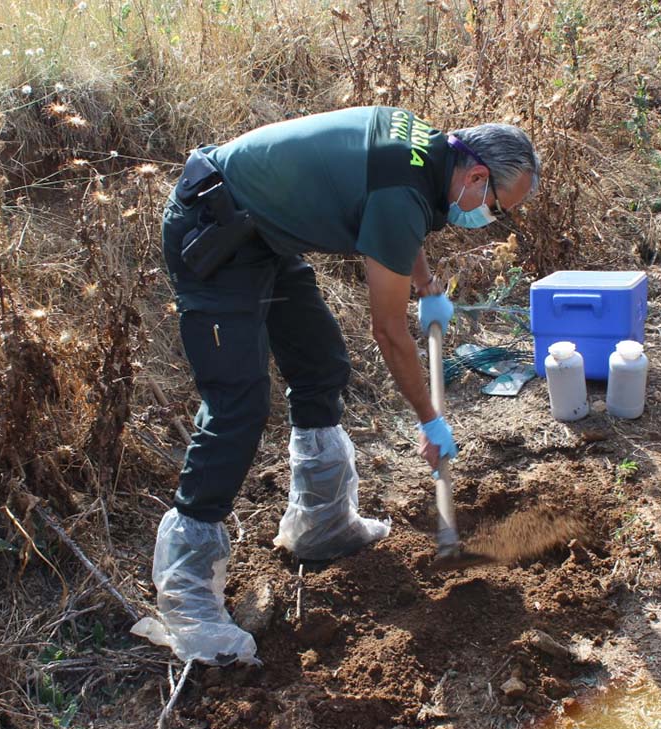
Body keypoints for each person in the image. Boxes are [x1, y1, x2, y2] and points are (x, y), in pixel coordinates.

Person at [138, 106, 540, 665]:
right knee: (239, 406)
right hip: (213, 230)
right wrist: (430, 417)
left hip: (262, 235)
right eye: (499, 207)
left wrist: (426, 284)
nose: (491, 218)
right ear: (476, 177)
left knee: (321, 367)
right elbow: (388, 331)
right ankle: (185, 598)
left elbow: (400, 224)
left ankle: (321, 525)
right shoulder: (408, 188)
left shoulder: (425, 154)